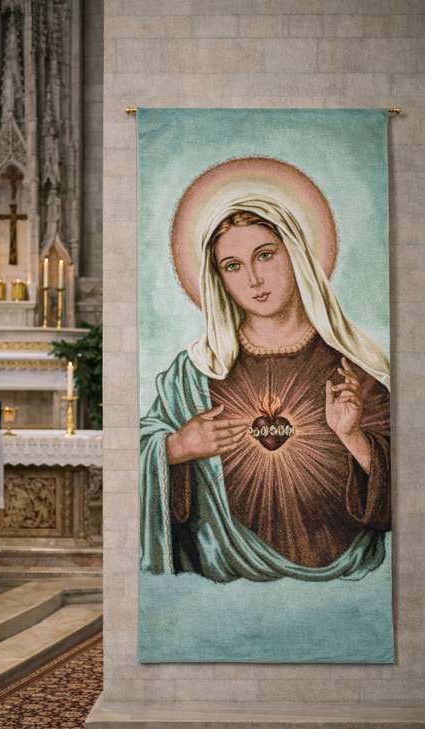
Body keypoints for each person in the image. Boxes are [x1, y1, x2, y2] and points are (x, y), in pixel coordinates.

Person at [140, 159, 391, 583]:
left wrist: (354, 438)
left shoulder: (354, 366)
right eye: (232, 266)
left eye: (265, 255)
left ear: (295, 254)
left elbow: (408, 477)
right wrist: (176, 447)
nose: (254, 278)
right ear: (217, 279)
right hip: (222, 583)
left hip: (345, 582)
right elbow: (139, 450)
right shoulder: (195, 372)